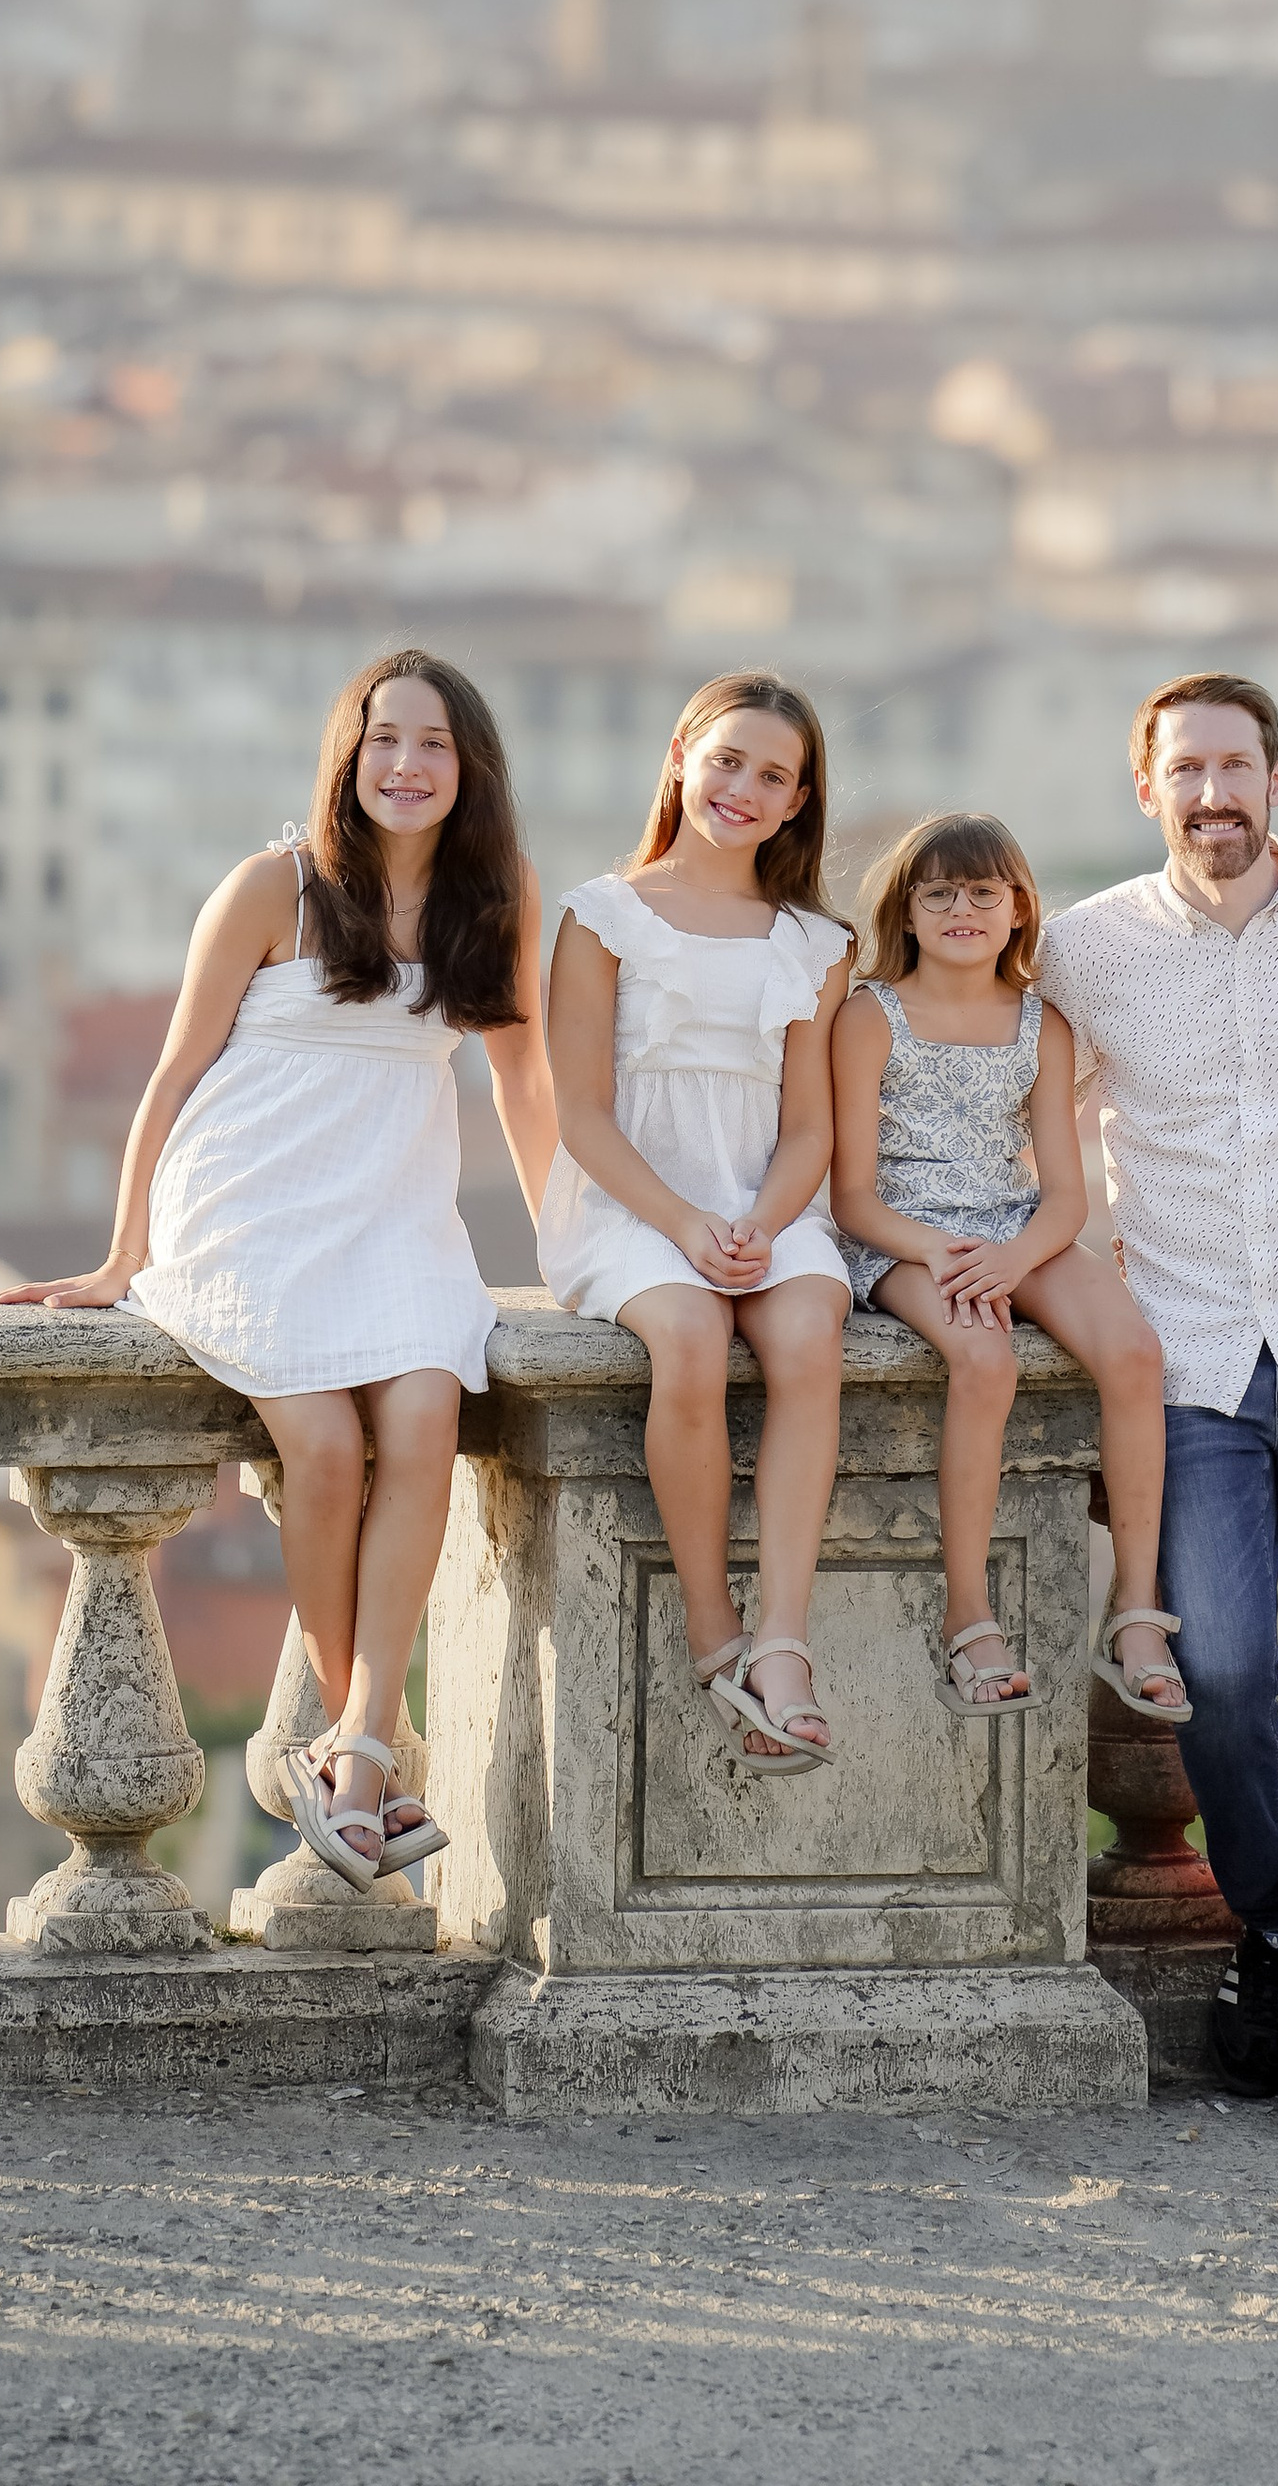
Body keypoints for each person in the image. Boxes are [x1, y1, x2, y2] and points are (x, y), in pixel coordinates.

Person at [0, 647, 556, 1890]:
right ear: (347, 757)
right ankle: (363, 1747)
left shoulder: (498, 896)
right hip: (248, 1206)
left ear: (470, 768)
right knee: (324, 1444)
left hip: (392, 1214)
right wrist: (124, 1253)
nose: (405, 765)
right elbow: (175, 1072)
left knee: (425, 1414)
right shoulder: (274, 886)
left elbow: (523, 1082)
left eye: (433, 744)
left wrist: (567, 1242)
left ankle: (354, 1747)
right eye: (383, 739)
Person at [1035, 674, 1278, 2141]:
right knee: (1213, 1677)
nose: (1214, 793)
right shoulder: (1083, 951)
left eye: (1237, 766)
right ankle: (1271, 1919)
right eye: (1186, 770)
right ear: (1148, 789)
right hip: (1187, 1359)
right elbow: (1029, 1134)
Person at [539, 673, 853, 1768]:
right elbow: (580, 1114)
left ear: (798, 801)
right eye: (726, 760)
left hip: (765, 1199)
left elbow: (810, 1128)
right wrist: (681, 1222)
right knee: (688, 1334)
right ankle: (712, 1622)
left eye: (772, 776)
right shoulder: (603, 916)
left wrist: (761, 1221)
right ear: (680, 757)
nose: (743, 789)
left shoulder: (813, 941)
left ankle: (782, 1639)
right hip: (632, 1203)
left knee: (809, 1334)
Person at [829, 811, 1184, 1724]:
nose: (962, 909)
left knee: (1135, 1352)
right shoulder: (870, 1017)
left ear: (1019, 909)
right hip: (908, 1237)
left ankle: (1136, 1610)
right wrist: (938, 1252)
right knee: (985, 1359)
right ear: (907, 912)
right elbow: (853, 1197)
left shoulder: (1041, 1025)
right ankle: (969, 1615)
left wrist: (1014, 1258)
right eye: (940, 893)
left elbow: (1065, 1196)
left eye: (984, 892)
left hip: (1014, 1230)